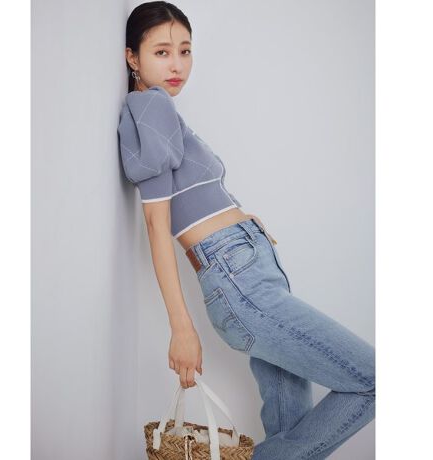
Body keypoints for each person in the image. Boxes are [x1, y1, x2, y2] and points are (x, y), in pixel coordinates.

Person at [118, 2, 375, 458]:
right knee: (371, 380)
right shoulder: (151, 106)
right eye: (161, 52)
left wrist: (242, 221)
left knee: (291, 428)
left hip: (248, 270)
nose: (177, 65)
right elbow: (157, 225)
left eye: (185, 51)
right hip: (239, 279)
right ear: (132, 58)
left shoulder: (159, 110)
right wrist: (181, 327)